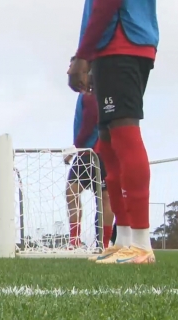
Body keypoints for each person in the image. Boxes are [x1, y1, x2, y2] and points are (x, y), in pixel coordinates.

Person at [67, 0, 158, 264]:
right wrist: (87, 56)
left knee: (124, 136)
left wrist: (83, 55)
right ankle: (125, 240)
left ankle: (141, 243)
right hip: (111, 48)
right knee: (107, 144)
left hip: (122, 43)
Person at [65, 83, 114, 252]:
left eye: (72, 66)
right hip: (89, 152)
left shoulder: (92, 93)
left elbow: (90, 120)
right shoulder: (86, 94)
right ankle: (76, 241)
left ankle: (103, 243)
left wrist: (75, 147)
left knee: (103, 198)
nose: (69, 70)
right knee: (73, 193)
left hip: (93, 152)